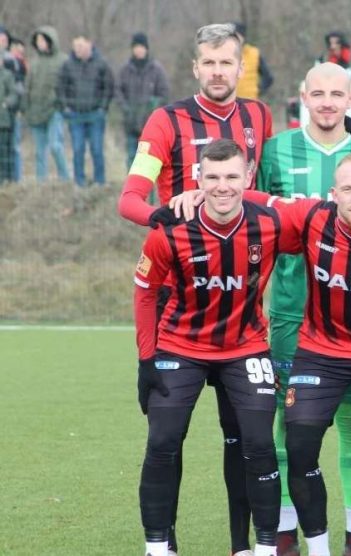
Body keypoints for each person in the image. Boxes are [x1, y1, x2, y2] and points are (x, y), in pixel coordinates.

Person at [118, 22, 274, 556]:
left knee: (244, 437)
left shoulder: (259, 116)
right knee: (167, 436)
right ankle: (163, 542)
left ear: (240, 67)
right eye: (208, 62)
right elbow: (130, 198)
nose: (217, 71)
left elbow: (265, 191)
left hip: (238, 300)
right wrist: (164, 214)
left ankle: (242, 544)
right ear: (194, 67)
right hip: (178, 295)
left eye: (226, 62)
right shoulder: (166, 121)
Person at [257, 62, 351, 556]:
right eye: (318, 93)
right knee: (289, 424)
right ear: (304, 97)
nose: (327, 102)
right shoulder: (276, 150)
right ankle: (286, 530)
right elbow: (258, 220)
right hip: (292, 310)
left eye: (336, 93)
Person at [133, 139, 285, 556]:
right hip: (179, 346)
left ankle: (263, 548)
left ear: (248, 177)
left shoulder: (272, 224)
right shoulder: (170, 231)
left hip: (245, 347)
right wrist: (146, 359)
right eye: (213, 177)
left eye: (232, 176)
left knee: (259, 444)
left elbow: (320, 222)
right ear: (198, 179)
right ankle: (158, 547)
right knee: (162, 441)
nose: (223, 186)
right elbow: (144, 293)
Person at [57, 34, 113, 186]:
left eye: (80, 46)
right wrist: (65, 106)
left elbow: (108, 87)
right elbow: (60, 87)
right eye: (75, 46)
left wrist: (103, 108)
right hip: (75, 114)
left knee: (97, 149)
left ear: (89, 44)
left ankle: (100, 181)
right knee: (77, 149)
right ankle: (79, 182)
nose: (77, 49)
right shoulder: (67, 65)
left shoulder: (101, 64)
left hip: (95, 114)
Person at [117, 32, 170, 170]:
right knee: (131, 157)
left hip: (150, 124)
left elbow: (164, 93)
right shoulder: (125, 70)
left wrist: (154, 107)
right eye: (136, 47)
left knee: (148, 159)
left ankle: (148, 185)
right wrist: (126, 109)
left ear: (146, 48)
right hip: (130, 123)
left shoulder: (156, 70)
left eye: (142, 47)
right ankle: (131, 184)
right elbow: (117, 91)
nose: (139, 50)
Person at [23, 25, 69, 181]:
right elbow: (28, 87)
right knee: (39, 151)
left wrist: (62, 104)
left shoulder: (63, 60)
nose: (40, 43)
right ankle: (41, 183)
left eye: (43, 40)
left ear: (51, 41)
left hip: (54, 110)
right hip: (35, 111)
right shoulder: (34, 63)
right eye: (38, 40)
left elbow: (68, 85)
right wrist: (25, 108)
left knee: (55, 145)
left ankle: (65, 178)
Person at [1, 26, 26, 182]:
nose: (2, 42)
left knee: (12, 148)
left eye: (4, 39)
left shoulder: (14, 62)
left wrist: (16, 106)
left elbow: (20, 87)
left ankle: (13, 179)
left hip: (11, 111)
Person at [232, 22, 273, 100]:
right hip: (229, 102)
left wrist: (257, 91)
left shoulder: (254, 54)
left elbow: (268, 78)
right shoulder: (224, 54)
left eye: (236, 36)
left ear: (243, 36)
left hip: (250, 100)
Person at [0, 57, 16, 182]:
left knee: (4, 151)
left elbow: (13, 94)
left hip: (3, 120)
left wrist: (5, 103)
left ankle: (5, 179)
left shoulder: (7, 75)